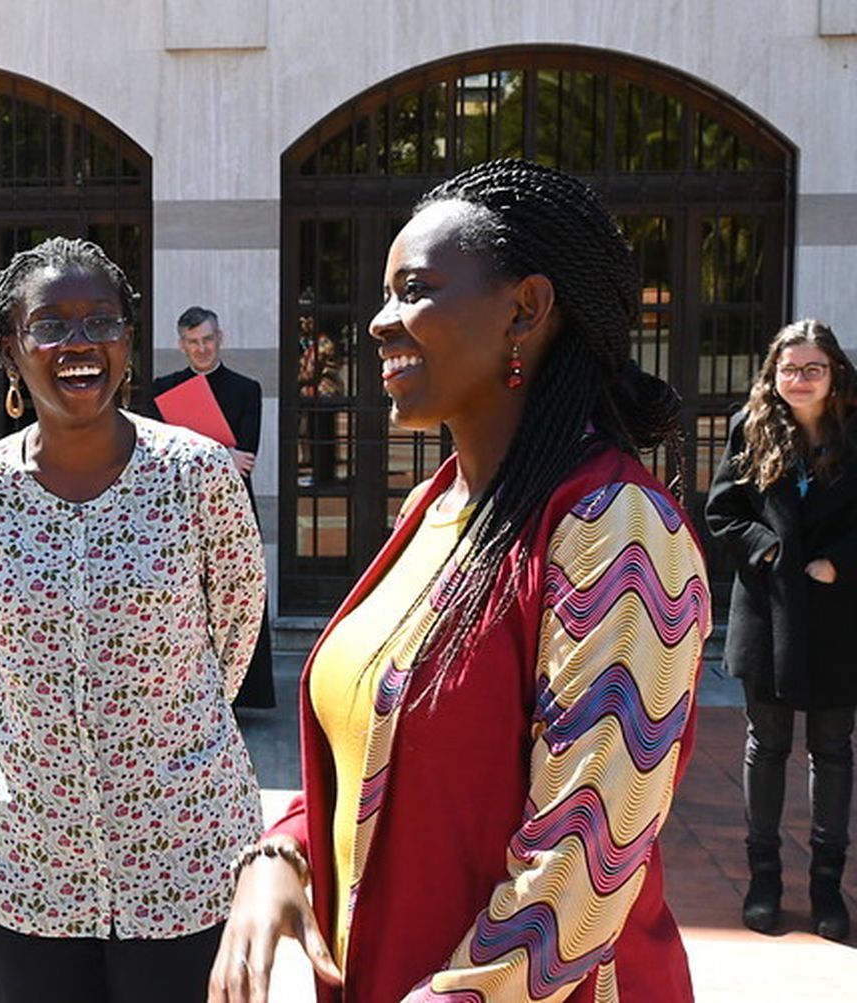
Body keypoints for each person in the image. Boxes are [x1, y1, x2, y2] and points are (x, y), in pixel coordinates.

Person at [210, 159, 710, 1003]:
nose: (378, 321)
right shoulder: (438, 505)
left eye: (415, 290)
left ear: (528, 307)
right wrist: (281, 853)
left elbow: (583, 870)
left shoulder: (615, 529)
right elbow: (378, 739)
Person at [0, 237, 266, 1003]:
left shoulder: (199, 475)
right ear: (10, 348)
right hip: (28, 858)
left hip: (185, 854)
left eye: (101, 322)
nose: (78, 344)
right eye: (50, 325)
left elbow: (236, 630)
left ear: (127, 341)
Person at [705, 318, 857, 941]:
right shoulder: (751, 427)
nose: (799, 380)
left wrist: (840, 560)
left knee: (833, 748)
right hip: (768, 613)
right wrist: (766, 549)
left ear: (834, 374)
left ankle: (827, 885)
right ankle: (762, 878)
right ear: (774, 374)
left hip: (837, 613)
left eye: (812, 369)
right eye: (788, 369)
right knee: (765, 745)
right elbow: (721, 510)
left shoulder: (853, 431)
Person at [149, 306, 274, 708]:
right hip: (181, 512)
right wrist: (223, 451)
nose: (200, 349)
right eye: (192, 342)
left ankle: (240, 695)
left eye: (207, 339)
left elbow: (246, 461)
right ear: (180, 344)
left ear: (221, 337)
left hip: (232, 507)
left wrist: (204, 452)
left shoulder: (246, 389)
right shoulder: (161, 390)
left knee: (238, 595)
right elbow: (156, 457)